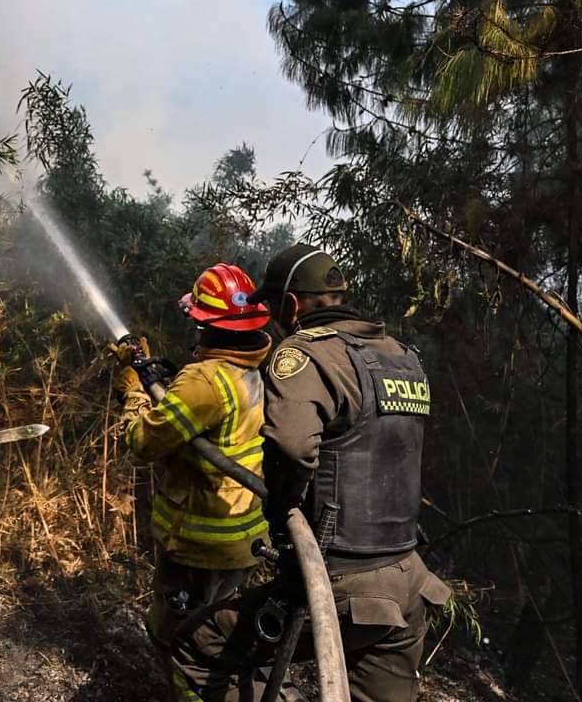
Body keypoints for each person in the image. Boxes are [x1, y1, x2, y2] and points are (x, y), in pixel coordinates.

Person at [171, 244, 451, 701]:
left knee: (198, 644)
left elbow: (293, 447)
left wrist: (281, 514)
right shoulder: (402, 357)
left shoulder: (307, 355)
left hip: (340, 583)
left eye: (274, 305)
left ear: (291, 305)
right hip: (407, 578)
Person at [112, 263, 274, 692]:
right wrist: (165, 388)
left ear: (209, 325)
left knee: (179, 644)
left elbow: (143, 442)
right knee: (215, 639)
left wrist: (133, 389)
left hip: (200, 545)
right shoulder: (253, 370)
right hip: (242, 540)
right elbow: (204, 422)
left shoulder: (205, 381)